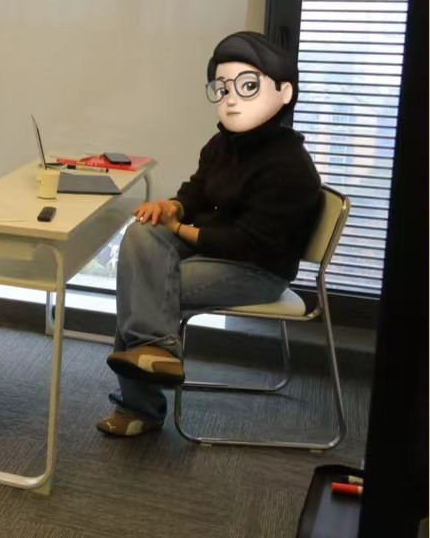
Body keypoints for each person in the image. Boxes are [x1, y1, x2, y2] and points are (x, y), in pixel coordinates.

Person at [96, 31, 322, 437]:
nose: (230, 99)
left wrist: (181, 229)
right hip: (218, 251)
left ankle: (141, 404)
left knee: (143, 284)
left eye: (247, 86)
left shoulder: (288, 165)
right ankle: (157, 351)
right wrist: (173, 208)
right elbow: (197, 190)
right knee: (143, 235)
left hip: (258, 270)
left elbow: (248, 243)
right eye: (222, 88)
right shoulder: (223, 143)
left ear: (284, 92)